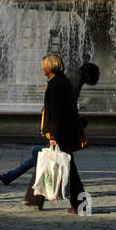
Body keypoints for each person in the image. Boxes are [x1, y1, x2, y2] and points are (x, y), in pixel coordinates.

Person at [21, 53, 86, 213]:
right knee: (57, 164)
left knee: (63, 166)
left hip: (61, 133)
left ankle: (35, 199)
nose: (42, 68)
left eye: (44, 65)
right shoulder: (61, 81)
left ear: (50, 67)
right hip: (65, 131)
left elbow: (57, 112)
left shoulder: (56, 84)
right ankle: (35, 198)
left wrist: (53, 136)